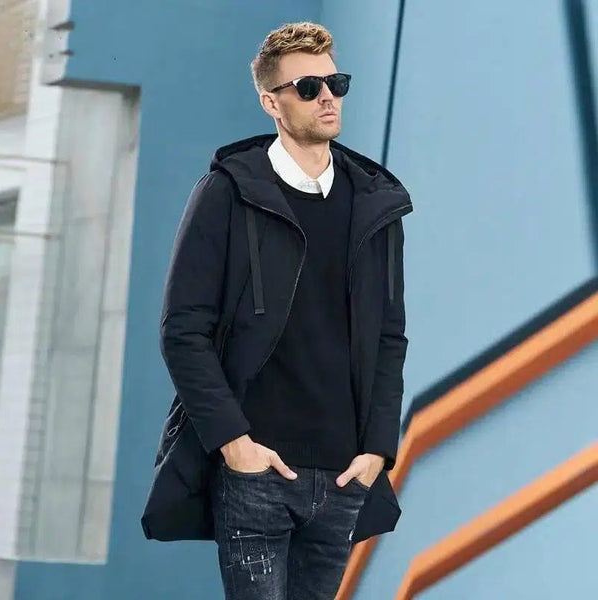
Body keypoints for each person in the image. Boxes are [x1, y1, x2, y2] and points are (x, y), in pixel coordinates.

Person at [151, 21, 413, 600]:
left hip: (345, 475)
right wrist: (234, 443)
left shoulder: (376, 203)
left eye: (336, 83)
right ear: (271, 102)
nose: (328, 98)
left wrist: (377, 449)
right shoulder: (227, 192)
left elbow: (389, 336)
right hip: (257, 473)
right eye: (308, 87)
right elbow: (183, 331)